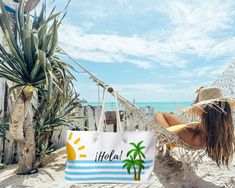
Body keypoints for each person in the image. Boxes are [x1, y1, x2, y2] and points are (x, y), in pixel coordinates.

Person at [156, 86, 235, 167]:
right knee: (167, 114)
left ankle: (158, 113)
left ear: (202, 110)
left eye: (199, 107)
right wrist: (200, 94)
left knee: (159, 114)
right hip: (183, 129)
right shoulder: (221, 129)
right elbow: (196, 108)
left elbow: (167, 136)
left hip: (167, 133)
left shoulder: (192, 133)